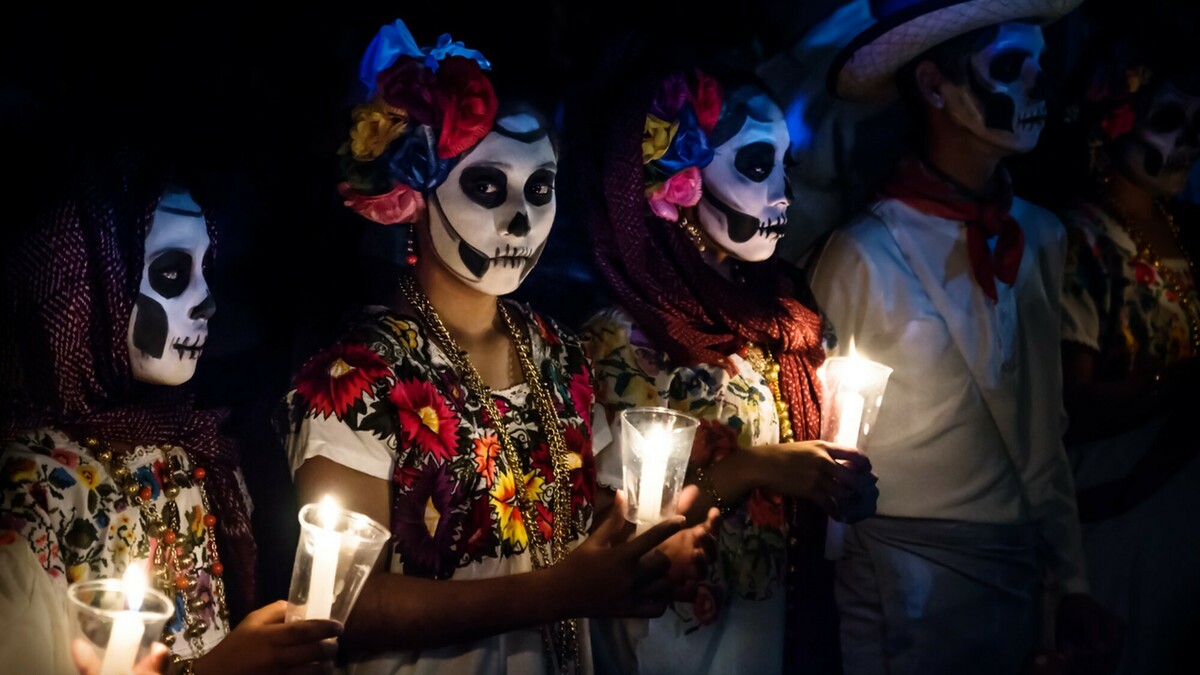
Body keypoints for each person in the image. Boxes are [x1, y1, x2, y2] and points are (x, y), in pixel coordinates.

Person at [283, 19, 709, 675]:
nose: (521, 218)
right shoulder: (355, 378)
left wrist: (648, 551)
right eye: (487, 186)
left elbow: (590, 515)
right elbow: (344, 604)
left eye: (541, 189)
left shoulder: (556, 350)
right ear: (414, 192)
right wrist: (555, 593)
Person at [809, 1, 1125, 673]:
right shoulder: (862, 252)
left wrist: (1071, 582)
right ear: (933, 87)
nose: (1040, 84)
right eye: (1011, 66)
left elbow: (1045, 431)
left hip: (1015, 573)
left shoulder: (1039, 236)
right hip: (901, 578)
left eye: (1041, 63)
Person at [577, 63, 878, 675]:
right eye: (756, 164)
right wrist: (752, 469)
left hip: (775, 630)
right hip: (676, 644)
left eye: (785, 166)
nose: (783, 193)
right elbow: (619, 542)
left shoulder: (784, 317)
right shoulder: (622, 337)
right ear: (679, 180)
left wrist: (835, 481)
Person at [0, 155, 342, 674]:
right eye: (170, 272)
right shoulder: (27, 488)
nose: (207, 303)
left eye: (205, 270)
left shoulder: (193, 446)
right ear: (88, 288)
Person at [1057, 42, 1200, 674]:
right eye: (1168, 121)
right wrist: (1180, 389)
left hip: (1180, 511)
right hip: (1112, 512)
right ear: (1112, 118)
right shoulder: (1079, 238)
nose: (1189, 142)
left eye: (1199, 125)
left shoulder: (1189, 227)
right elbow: (1073, 404)